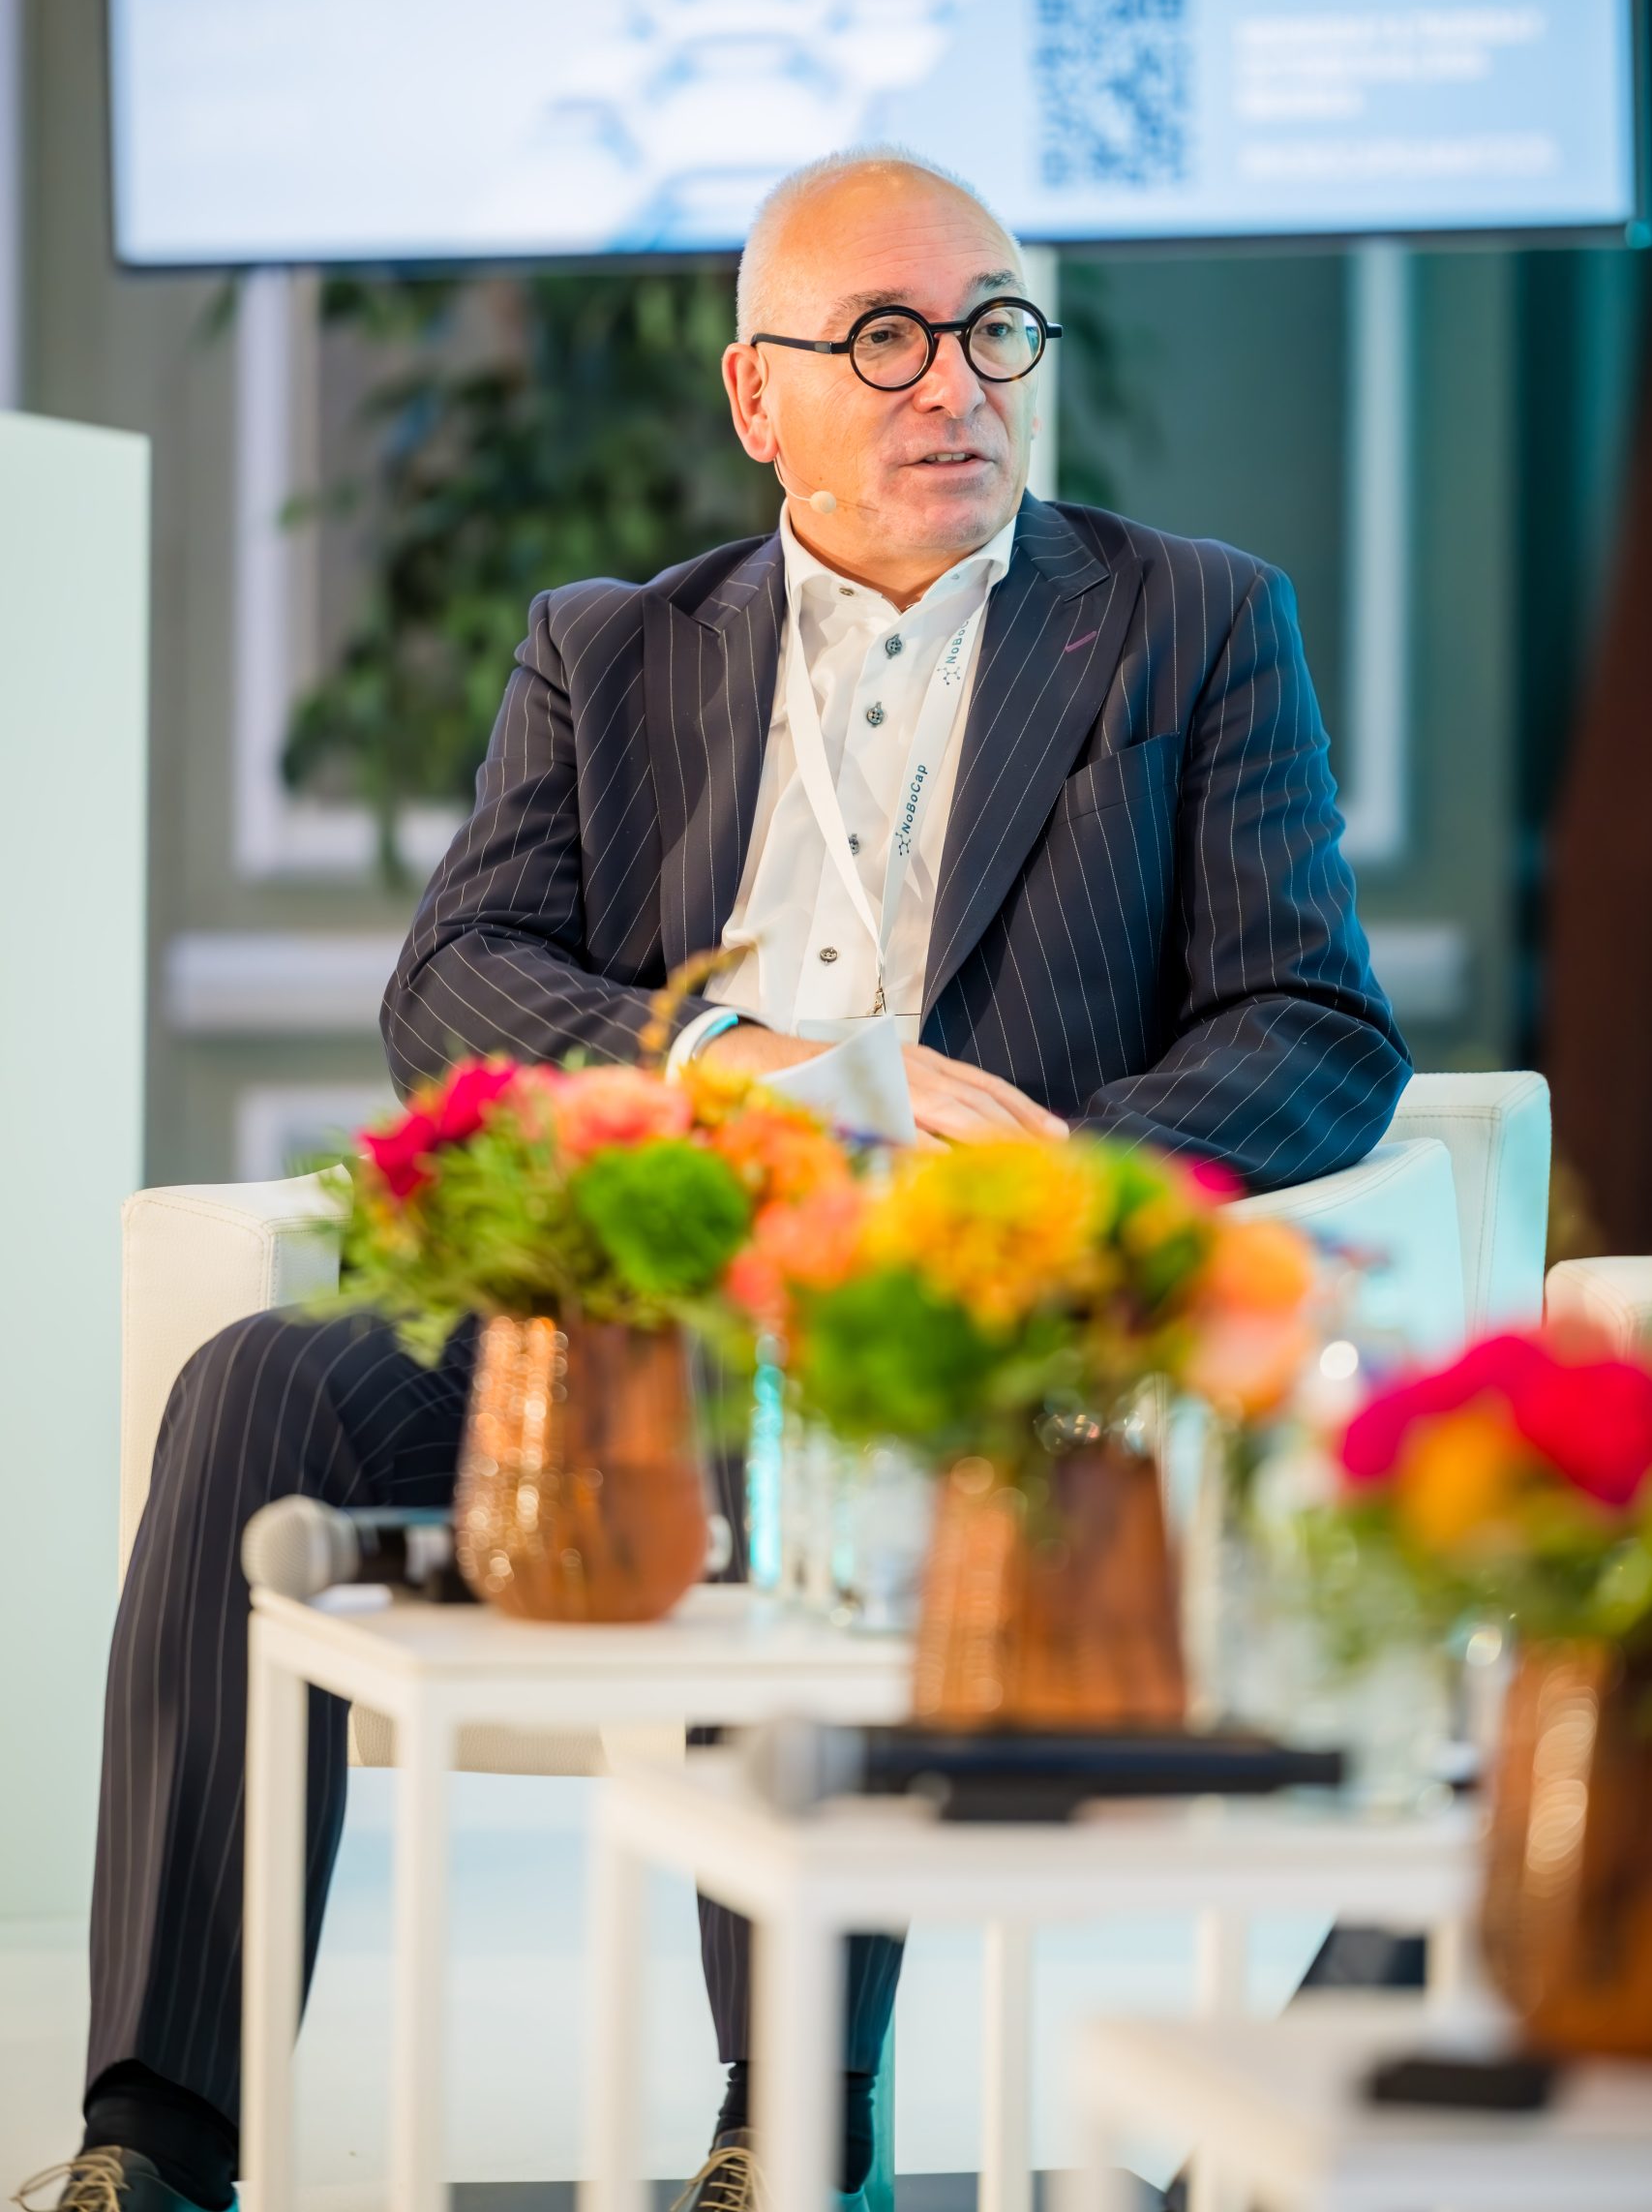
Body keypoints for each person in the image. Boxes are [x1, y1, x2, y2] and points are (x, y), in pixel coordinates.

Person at [25, 150, 1408, 2212]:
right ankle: (153, 2138)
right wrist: (714, 1060)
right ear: (758, 393)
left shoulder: (1186, 621)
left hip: (939, 1319)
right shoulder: (610, 648)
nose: (956, 382)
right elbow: (453, 980)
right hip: (628, 1309)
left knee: (814, 1437)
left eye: (993, 327)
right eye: (886, 338)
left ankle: (792, 2126)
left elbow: (1313, 1018)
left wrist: (1051, 1181)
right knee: (259, 1387)